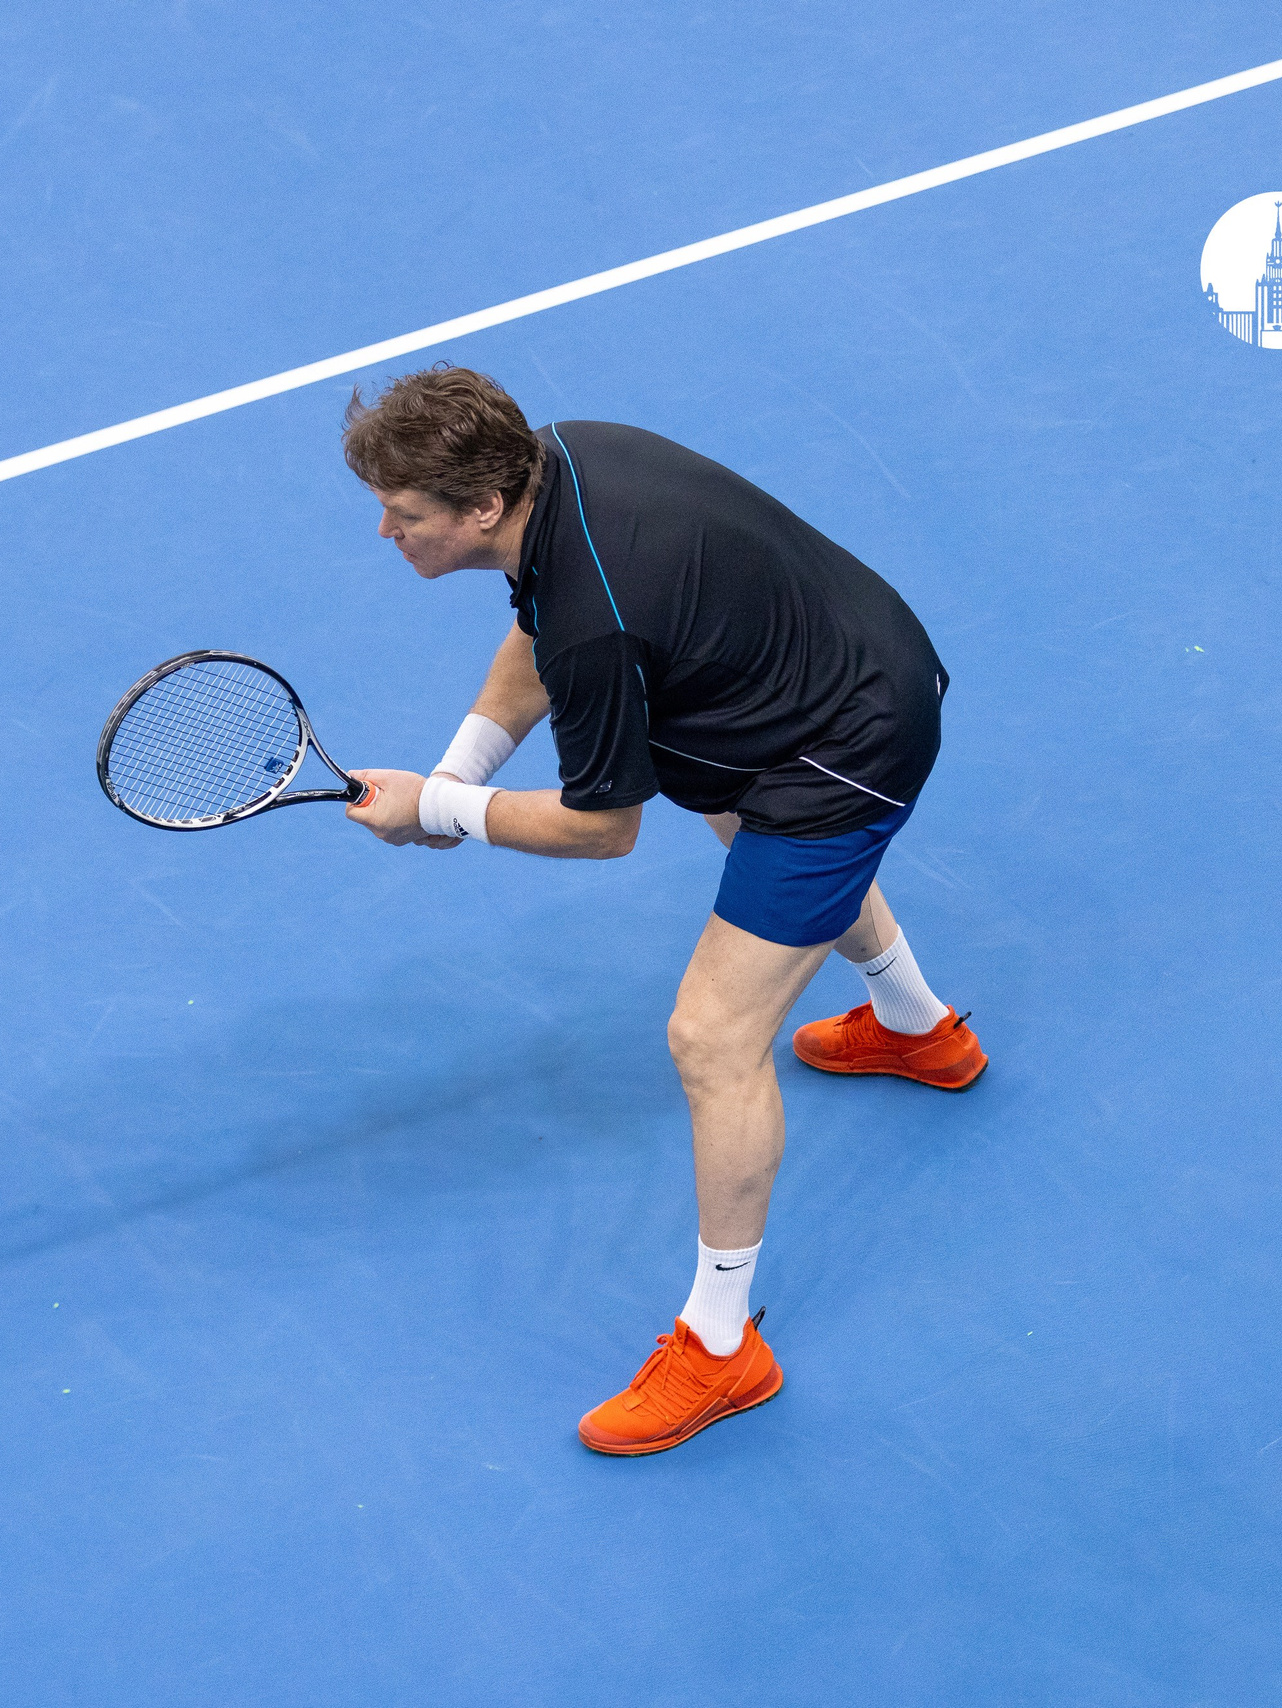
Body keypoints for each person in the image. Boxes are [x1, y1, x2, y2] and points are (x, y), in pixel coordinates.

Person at [340, 365, 986, 1456]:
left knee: (711, 1039)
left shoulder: (598, 614)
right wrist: (459, 769)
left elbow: (604, 826)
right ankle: (920, 1032)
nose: (384, 531)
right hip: (808, 674)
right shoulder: (561, 453)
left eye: (403, 515)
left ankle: (724, 1346)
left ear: (482, 506)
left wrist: (442, 809)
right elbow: (542, 628)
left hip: (843, 747)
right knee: (747, 844)